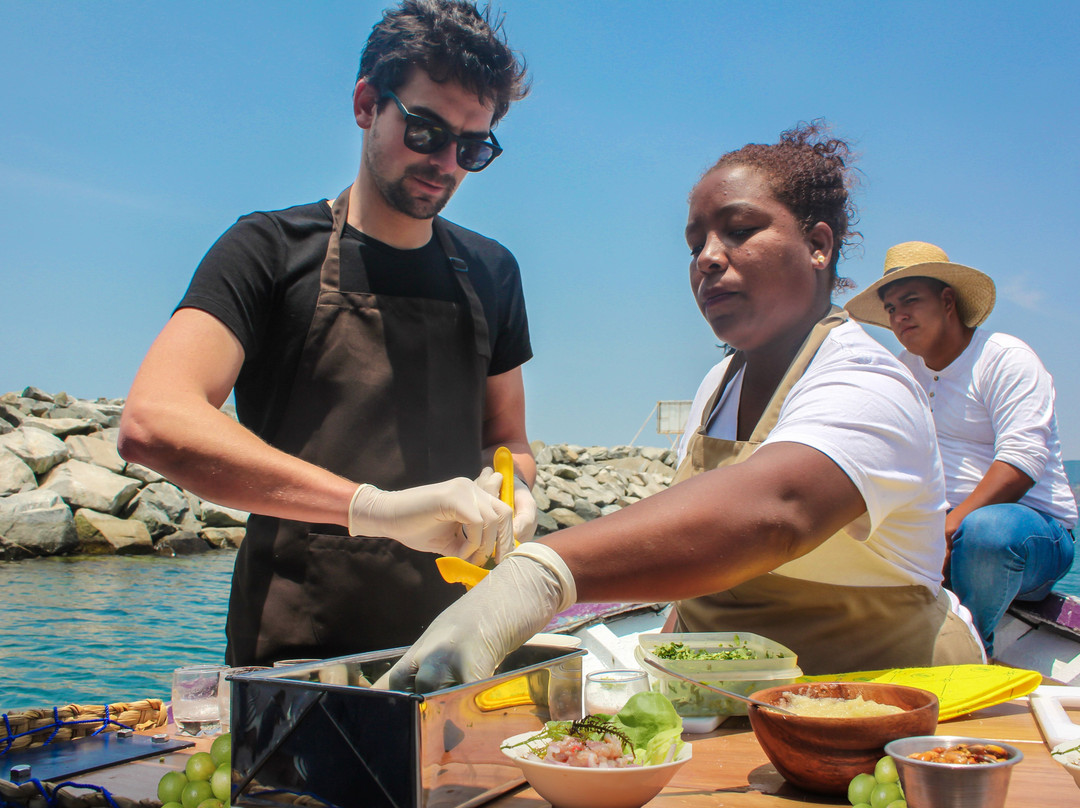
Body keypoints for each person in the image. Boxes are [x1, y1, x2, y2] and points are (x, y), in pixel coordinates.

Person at [383, 122, 985, 692]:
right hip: (736, 706)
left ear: (818, 244)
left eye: (740, 230)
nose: (707, 257)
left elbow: (776, 511)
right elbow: (700, 571)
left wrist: (540, 574)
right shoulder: (717, 386)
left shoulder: (868, 382)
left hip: (886, 704)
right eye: (696, 242)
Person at [117, 0, 538, 666]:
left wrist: (510, 494)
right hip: (294, 662)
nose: (446, 162)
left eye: (472, 146)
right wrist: (372, 509)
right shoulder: (268, 250)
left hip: (457, 651)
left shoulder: (492, 272)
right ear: (367, 103)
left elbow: (506, 440)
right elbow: (153, 420)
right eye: (425, 129)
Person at [845, 242, 1077, 656]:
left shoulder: (1004, 358)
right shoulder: (903, 371)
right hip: (944, 527)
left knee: (986, 533)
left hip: (1030, 534)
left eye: (910, 301)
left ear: (947, 301)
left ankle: (972, 654)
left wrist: (948, 528)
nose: (899, 316)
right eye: (892, 308)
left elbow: (1022, 462)